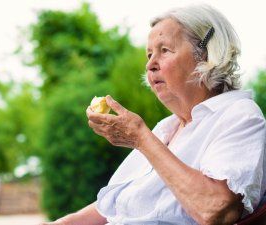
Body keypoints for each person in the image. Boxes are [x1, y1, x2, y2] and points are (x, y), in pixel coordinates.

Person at [40, 3, 266, 225]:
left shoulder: (239, 116)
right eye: (149, 55)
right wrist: (64, 222)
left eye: (164, 50)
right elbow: (115, 206)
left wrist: (141, 138)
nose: (150, 65)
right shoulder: (165, 128)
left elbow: (215, 210)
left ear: (207, 54)